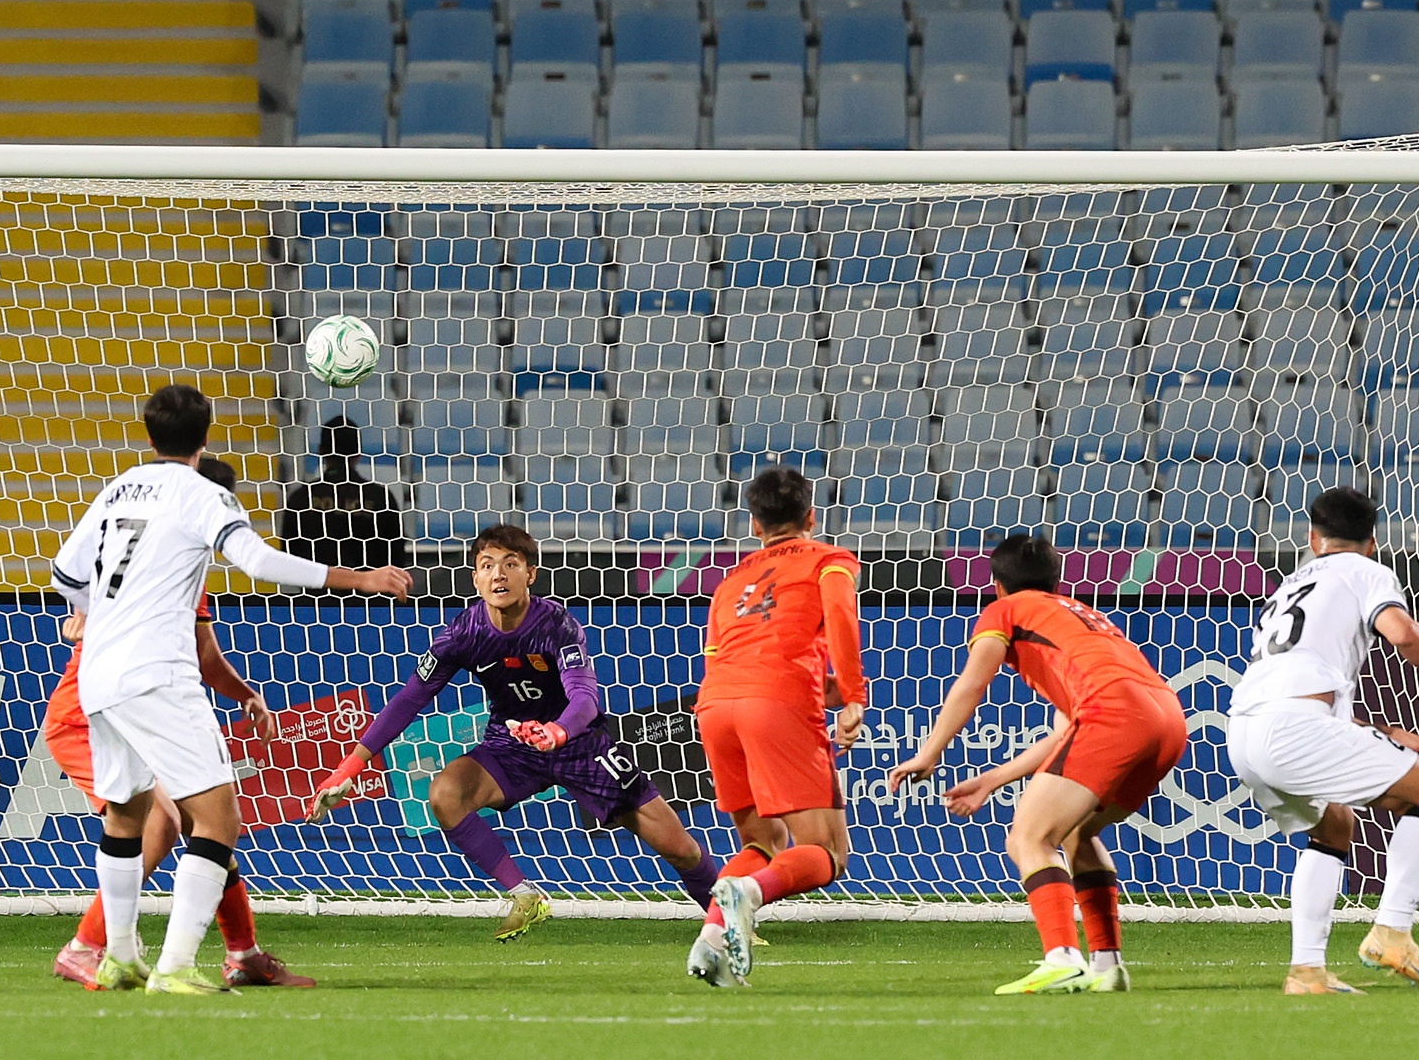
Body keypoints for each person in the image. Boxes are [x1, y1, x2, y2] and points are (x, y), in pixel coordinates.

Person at [51, 383, 411, 996]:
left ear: (149, 433)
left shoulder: (119, 488)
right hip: (156, 672)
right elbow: (260, 562)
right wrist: (360, 578)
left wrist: (93, 611)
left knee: (128, 814)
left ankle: (119, 958)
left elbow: (64, 572)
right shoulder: (203, 494)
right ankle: (174, 967)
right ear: (206, 434)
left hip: (99, 673)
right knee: (218, 819)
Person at [309, 524, 720, 940]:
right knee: (446, 794)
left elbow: (584, 697)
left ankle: (726, 921)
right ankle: (525, 896)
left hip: (579, 746)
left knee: (681, 849)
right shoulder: (464, 633)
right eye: (487, 566)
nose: (498, 575)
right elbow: (408, 700)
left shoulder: (556, 624)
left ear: (531, 574)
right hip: (513, 747)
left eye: (510, 564)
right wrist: (348, 768)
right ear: (475, 578)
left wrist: (557, 732)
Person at [46, 456, 314, 991]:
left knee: (202, 822)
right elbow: (204, 655)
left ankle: (242, 953)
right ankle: (86, 947)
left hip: (127, 707)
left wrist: (246, 695)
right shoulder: (170, 559)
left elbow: (200, 652)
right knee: (166, 822)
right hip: (87, 716)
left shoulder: (164, 559)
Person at [889, 533, 1188, 995]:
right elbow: (1065, 735)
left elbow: (972, 683)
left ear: (997, 586)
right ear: (1056, 580)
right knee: (1075, 832)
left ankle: (1061, 958)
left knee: (1028, 838)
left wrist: (929, 753)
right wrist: (992, 779)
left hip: (1113, 714)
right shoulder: (1086, 618)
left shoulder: (1006, 609)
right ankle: (1107, 965)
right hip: (1167, 719)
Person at [1226, 486, 1419, 995]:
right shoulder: (1365, 571)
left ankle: (1306, 972)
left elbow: (1307, 693)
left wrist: (1390, 735)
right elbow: (1403, 634)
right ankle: (1392, 932)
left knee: (1334, 825)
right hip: (1295, 729)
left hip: (1245, 732)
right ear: (1372, 542)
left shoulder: (1289, 586)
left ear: (1312, 538)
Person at [685, 466, 867, 988]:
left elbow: (723, 655)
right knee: (828, 851)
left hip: (716, 706)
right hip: (776, 704)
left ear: (754, 524)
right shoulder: (829, 561)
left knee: (762, 841)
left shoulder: (729, 582)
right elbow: (841, 618)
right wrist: (853, 695)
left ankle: (711, 942)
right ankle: (750, 894)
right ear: (811, 517)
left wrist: (820, 685)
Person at [277, 415, 405, 570]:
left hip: (316, 585)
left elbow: (288, 559)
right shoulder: (381, 498)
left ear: (321, 451)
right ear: (358, 453)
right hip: (366, 585)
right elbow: (396, 561)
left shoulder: (300, 499)